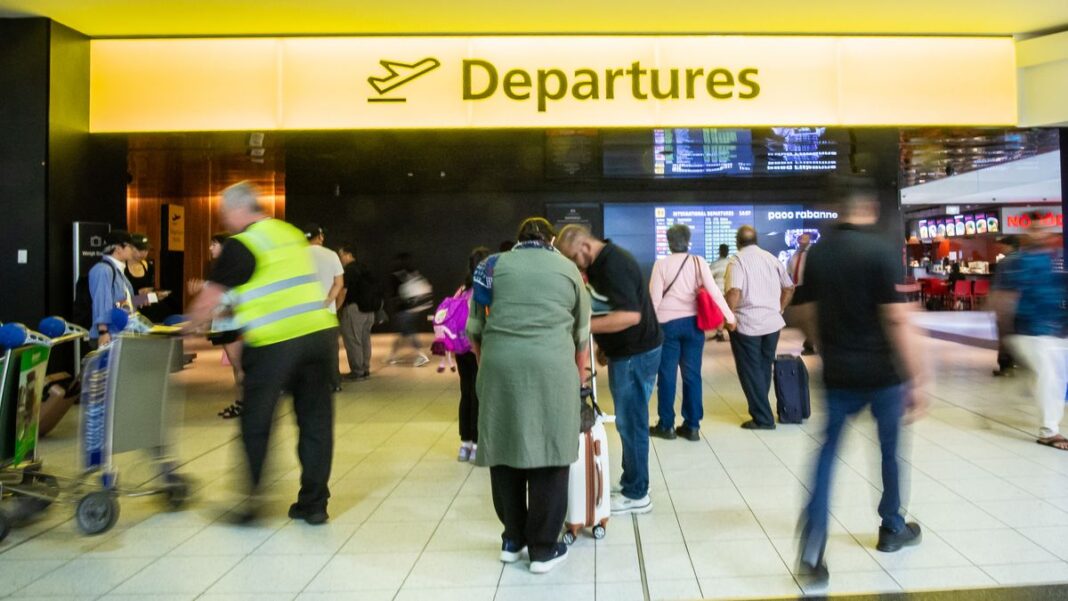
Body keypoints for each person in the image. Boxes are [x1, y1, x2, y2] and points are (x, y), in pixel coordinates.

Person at [794, 181, 926, 584]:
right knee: (889, 452)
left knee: (827, 456)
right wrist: (915, 376)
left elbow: (801, 313)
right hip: (883, 375)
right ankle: (891, 527)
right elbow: (896, 319)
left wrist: (827, 344)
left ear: (839, 209)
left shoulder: (818, 254)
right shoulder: (883, 251)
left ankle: (813, 552)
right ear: (869, 207)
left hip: (838, 374)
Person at [184, 181, 339, 524]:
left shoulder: (242, 245)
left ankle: (251, 506)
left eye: (225, 214)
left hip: (275, 343)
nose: (226, 221)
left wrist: (186, 328)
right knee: (315, 422)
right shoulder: (288, 232)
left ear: (239, 210)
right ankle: (314, 505)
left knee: (256, 421)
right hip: (318, 337)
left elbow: (210, 299)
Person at [467, 218, 590, 574]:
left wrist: (487, 364)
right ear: (551, 239)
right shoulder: (567, 269)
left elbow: (474, 330)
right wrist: (577, 381)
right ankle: (542, 548)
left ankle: (512, 539)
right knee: (551, 453)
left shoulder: (490, 266)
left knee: (505, 449)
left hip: (499, 368)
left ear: (519, 240)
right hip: (552, 368)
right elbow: (582, 338)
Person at [555, 224, 662, 515]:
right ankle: (634, 481)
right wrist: (604, 345)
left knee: (632, 422)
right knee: (631, 420)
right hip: (627, 351)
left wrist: (586, 328)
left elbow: (629, 315)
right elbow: (610, 307)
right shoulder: (603, 264)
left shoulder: (613, 264)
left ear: (585, 248)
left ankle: (637, 494)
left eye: (572, 258)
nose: (573, 265)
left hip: (635, 354)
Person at [648, 224, 735, 441]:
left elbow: (654, 301)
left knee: (666, 375)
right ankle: (692, 425)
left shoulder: (661, 265)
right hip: (694, 325)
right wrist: (730, 317)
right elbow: (714, 292)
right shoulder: (698, 262)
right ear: (688, 242)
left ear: (669, 242)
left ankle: (666, 425)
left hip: (667, 326)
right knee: (692, 375)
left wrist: (647, 328)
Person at [992, 212, 1068, 451]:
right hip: (1025, 329)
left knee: (1056, 376)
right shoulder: (1013, 262)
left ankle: (1022, 393)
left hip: (1056, 328)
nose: (1040, 233)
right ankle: (1049, 431)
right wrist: (1003, 337)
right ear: (1027, 233)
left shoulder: (1057, 259)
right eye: (1035, 229)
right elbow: (1001, 299)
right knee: (1050, 374)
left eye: (1044, 229)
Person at [724, 225, 794, 430]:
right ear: (756, 240)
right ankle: (761, 408)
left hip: (747, 323)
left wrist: (729, 316)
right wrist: (779, 308)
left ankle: (763, 418)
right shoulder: (771, 259)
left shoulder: (737, 260)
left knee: (749, 370)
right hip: (772, 323)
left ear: (738, 241)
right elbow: (789, 287)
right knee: (763, 366)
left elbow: (734, 291)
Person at [189, 232, 245, 418]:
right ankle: (241, 403)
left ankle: (245, 405)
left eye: (214, 244)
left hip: (235, 325)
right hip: (225, 326)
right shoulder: (222, 269)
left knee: (240, 367)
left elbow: (233, 298)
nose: (211, 248)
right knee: (237, 368)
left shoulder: (233, 270)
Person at [455, 246, 491, 462]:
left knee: (466, 392)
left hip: (461, 348)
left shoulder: (461, 289)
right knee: (479, 395)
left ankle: (464, 444)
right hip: (478, 347)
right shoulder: (485, 288)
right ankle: (478, 445)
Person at [304, 224, 345, 392]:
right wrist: (329, 300)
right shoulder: (331, 255)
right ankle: (334, 382)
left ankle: (308, 384)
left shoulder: (297, 256)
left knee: (305, 350)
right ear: (320, 236)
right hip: (327, 312)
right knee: (330, 349)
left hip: (304, 312)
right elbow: (339, 283)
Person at [337, 243, 380, 380]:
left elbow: (343, 291)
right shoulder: (365, 268)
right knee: (364, 339)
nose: (340, 258)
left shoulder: (349, 270)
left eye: (341, 255)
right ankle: (365, 368)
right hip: (369, 310)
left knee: (353, 340)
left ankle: (357, 371)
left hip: (354, 309)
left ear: (349, 255)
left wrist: (337, 308)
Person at [89, 230, 137, 348]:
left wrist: (149, 298)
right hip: (109, 337)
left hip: (120, 334)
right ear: (118, 248)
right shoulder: (103, 270)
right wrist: (103, 332)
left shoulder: (118, 271)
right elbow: (102, 303)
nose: (133, 250)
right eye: (130, 246)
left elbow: (123, 302)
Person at [388, 252, 433, 367]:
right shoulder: (413, 273)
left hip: (404, 309)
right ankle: (392, 356)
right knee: (403, 333)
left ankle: (421, 355)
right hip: (412, 309)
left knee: (410, 333)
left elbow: (395, 295)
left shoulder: (397, 276)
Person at [124, 233, 171, 322]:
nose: (143, 253)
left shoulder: (147, 266)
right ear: (129, 248)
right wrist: (138, 292)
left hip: (146, 304)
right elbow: (119, 299)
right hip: (129, 307)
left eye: (146, 250)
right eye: (139, 249)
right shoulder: (122, 268)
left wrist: (156, 295)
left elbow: (148, 295)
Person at [787, 233, 816, 355]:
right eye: (800, 239)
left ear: (809, 240)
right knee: (798, 316)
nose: (802, 241)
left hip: (809, 287)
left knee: (809, 316)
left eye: (805, 239)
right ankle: (809, 340)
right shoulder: (795, 254)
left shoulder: (813, 254)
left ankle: (810, 342)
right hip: (797, 287)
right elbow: (790, 270)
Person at [709, 244, 732, 342]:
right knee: (728, 312)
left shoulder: (714, 264)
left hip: (718, 293)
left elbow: (709, 278)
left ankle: (720, 333)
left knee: (720, 313)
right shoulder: (732, 263)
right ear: (728, 252)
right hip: (730, 292)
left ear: (719, 251)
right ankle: (725, 333)